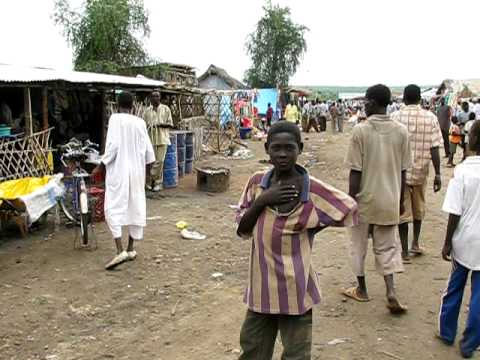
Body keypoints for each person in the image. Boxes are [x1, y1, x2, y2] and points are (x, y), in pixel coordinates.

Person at [236, 121, 358, 359]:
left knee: (296, 353)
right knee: (252, 349)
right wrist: (262, 201)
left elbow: (349, 207)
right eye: (276, 148)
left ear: (300, 148)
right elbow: (242, 228)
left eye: (289, 148)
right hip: (261, 288)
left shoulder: (311, 190)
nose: (282, 154)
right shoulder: (256, 183)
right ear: (266, 149)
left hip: (296, 289)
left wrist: (311, 226)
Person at [343, 84, 410, 314]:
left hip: (365, 199)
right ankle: (390, 291)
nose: (364, 105)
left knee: (357, 245)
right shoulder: (401, 131)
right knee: (387, 247)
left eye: (366, 101)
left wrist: (350, 201)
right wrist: (401, 200)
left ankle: (361, 289)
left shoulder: (360, 131)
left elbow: (356, 171)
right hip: (390, 198)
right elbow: (403, 171)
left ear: (372, 102)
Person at [93, 92, 155, 270]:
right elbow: (149, 155)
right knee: (135, 206)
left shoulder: (115, 119)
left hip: (119, 172)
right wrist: (147, 176)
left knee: (113, 206)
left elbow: (113, 147)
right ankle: (130, 249)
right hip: (137, 173)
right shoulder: (140, 123)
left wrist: (101, 165)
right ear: (133, 105)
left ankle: (120, 250)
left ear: (117, 105)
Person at [438, 120, 480, 358]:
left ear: (471, 141)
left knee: (454, 287)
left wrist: (446, 242)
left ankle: (447, 331)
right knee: (479, 295)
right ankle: (471, 341)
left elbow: (455, 211)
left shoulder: (463, 170)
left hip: (465, 239)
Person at [391, 84, 442, 262]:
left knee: (402, 210)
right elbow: (434, 148)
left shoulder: (395, 116)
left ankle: (404, 251)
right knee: (419, 208)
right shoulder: (430, 117)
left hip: (399, 172)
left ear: (404, 98)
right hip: (421, 171)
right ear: (420, 98)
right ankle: (416, 243)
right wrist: (438, 174)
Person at [143, 91, 174, 192]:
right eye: (153, 96)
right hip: (150, 139)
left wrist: (160, 124)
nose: (155, 98)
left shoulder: (166, 109)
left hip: (162, 139)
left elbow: (170, 124)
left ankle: (153, 180)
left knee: (160, 161)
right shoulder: (147, 111)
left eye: (157, 96)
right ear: (150, 98)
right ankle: (154, 183)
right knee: (151, 161)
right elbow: (143, 125)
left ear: (160, 98)